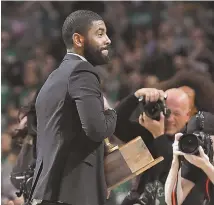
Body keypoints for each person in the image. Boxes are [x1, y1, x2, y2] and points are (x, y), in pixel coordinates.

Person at [30, 10, 117, 205]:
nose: (108, 40)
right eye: (100, 33)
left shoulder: (54, 77)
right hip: (74, 193)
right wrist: (111, 112)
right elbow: (97, 130)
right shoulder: (83, 71)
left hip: (48, 190)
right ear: (78, 39)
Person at [114, 87, 193, 205]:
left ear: (188, 116)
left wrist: (158, 135)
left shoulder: (193, 144)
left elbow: (169, 169)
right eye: (167, 111)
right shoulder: (149, 133)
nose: (170, 119)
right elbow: (114, 124)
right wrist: (136, 96)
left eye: (176, 113)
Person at [165, 111, 214, 205]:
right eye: (198, 139)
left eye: (208, 140)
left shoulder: (203, 163)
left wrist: (206, 166)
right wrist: (176, 162)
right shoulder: (196, 160)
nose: (202, 145)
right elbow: (173, 202)